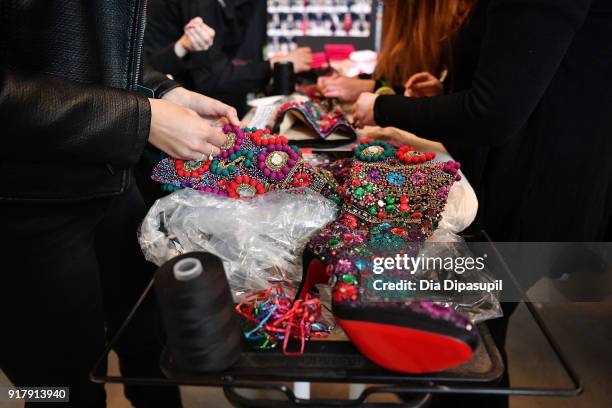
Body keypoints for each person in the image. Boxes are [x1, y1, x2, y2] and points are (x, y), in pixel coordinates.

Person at [0, 1, 239, 407]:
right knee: (51, 390)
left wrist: (164, 91)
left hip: (111, 182)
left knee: (156, 356)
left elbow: (97, 50)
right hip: (23, 205)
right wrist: (143, 118)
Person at [353, 0, 612, 242]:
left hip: (533, 204)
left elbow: (491, 114)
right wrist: (447, 93)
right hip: (518, 186)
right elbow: (520, 81)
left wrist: (381, 107)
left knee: (501, 287)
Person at [145, 0, 313, 117]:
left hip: (179, 92)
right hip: (159, 99)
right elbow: (211, 77)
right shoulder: (202, 7)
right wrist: (270, 66)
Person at [317, 0, 474, 102]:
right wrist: (361, 82)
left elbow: (455, 106)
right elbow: (396, 81)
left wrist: (371, 88)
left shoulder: (461, 23)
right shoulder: (400, 15)